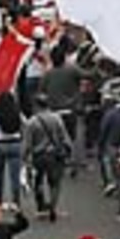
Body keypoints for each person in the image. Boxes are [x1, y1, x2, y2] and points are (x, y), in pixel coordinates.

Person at [23, 93, 71, 221]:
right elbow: (64, 136)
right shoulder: (57, 118)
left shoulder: (32, 122)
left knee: (38, 181)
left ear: (37, 105)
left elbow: (27, 143)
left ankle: (41, 206)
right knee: (55, 183)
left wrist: (25, 157)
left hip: (38, 156)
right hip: (54, 155)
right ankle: (53, 207)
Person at [0, 90, 23, 206]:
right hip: (15, 143)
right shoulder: (17, 112)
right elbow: (25, 124)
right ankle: (16, 200)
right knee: (14, 175)